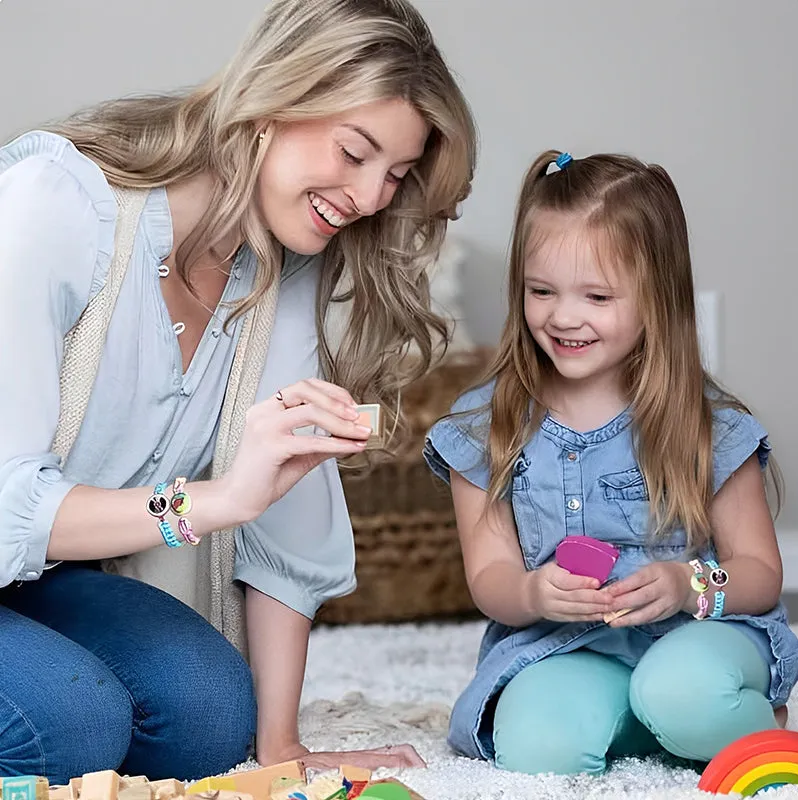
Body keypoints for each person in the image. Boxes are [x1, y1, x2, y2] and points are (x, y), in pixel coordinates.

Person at [0, 0, 475, 784]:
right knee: (72, 726)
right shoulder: (56, 204)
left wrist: (283, 748)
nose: (369, 197)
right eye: (355, 152)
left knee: (213, 716)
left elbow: (287, 509)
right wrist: (214, 500)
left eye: (395, 174)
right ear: (272, 102)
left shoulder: (284, 259)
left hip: (39, 578)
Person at [423, 150, 798, 776]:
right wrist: (532, 592)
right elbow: (491, 576)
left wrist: (686, 585)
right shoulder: (483, 425)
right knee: (536, 746)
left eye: (596, 296)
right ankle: (664, 728)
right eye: (541, 291)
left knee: (683, 692)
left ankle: (713, 716)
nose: (563, 317)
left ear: (656, 297)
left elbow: (759, 571)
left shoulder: (706, 422)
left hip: (698, 636)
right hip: (572, 646)